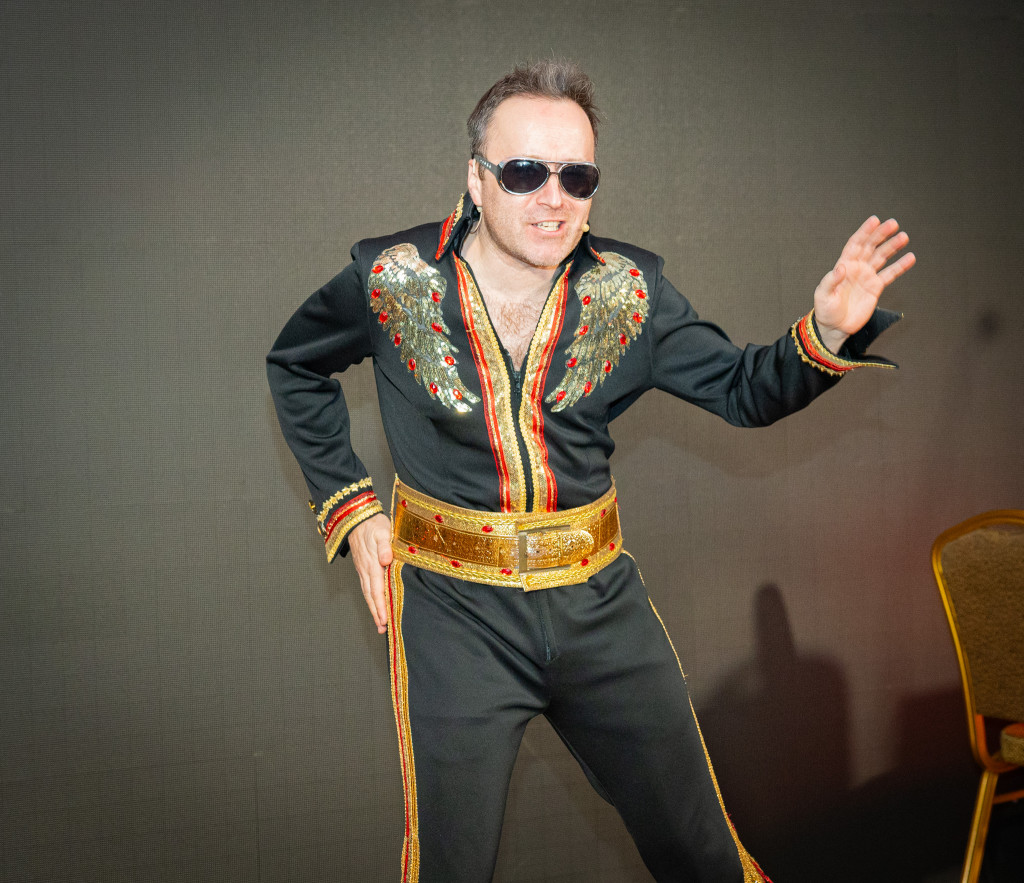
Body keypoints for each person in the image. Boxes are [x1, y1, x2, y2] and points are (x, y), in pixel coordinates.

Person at [267, 60, 914, 883]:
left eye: (577, 177)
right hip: (454, 614)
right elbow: (296, 364)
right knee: (450, 868)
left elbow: (745, 389)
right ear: (476, 178)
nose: (554, 198)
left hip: (599, 603)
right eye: (525, 172)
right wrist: (353, 508)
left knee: (704, 855)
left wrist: (825, 331)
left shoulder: (629, 288)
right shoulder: (391, 276)